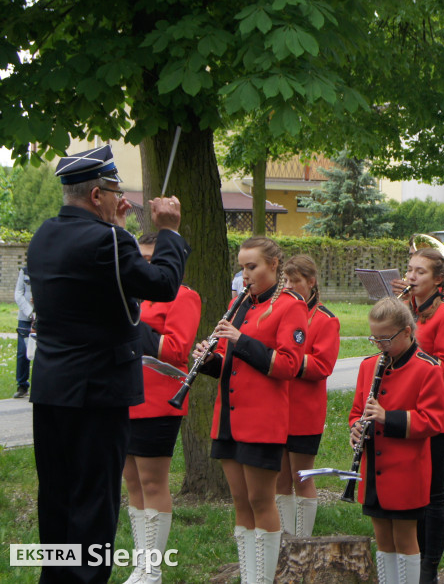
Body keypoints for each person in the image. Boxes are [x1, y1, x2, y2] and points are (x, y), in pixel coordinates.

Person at [28, 145, 189, 584]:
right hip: (98, 393)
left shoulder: (45, 235)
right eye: (116, 192)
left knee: (57, 498)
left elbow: (102, 295)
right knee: (95, 503)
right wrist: (169, 232)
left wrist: (117, 229)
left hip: (52, 389)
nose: (123, 201)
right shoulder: (109, 240)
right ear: (97, 195)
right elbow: (162, 284)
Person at [194, 236, 308, 584]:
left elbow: (289, 365)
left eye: (252, 267)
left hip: (262, 419)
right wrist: (207, 361)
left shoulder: (291, 306)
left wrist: (241, 341)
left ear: (274, 265)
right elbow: (232, 365)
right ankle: (249, 576)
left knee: (262, 501)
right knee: (240, 502)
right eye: (242, 267)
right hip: (228, 416)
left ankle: (263, 579)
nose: (245, 275)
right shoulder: (241, 304)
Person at [120, 232, 202, 584]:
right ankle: (141, 563)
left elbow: (175, 349)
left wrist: (133, 325)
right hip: (122, 396)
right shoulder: (130, 295)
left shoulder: (183, 296)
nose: (147, 264)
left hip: (157, 400)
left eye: (155, 257)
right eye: (142, 258)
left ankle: (152, 568)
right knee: (132, 482)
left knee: (153, 482)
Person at [350, 297, 444, 584]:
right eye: (374, 338)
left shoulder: (427, 368)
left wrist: (387, 417)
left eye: (385, 339)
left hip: (407, 470)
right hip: (373, 470)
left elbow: (432, 420)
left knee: (405, 539)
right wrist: (356, 427)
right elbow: (357, 410)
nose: (379, 345)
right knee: (383, 540)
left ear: (407, 331)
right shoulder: (369, 366)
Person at [403, 246, 444, 583]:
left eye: (420, 272)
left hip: (435, 416)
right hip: (403, 410)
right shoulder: (405, 308)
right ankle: (411, 555)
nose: (411, 276)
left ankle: (429, 566)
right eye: (410, 270)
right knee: (410, 490)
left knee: (434, 493)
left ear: (438, 280)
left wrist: (411, 358)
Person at [275, 255, 340, 537]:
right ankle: (286, 539)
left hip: (305, 411)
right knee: (279, 480)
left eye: (295, 281)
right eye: (285, 280)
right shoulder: (279, 311)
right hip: (278, 407)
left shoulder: (326, 319)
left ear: (311, 283)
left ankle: (303, 541)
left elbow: (322, 366)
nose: (288, 286)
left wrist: (288, 360)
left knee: (302, 478)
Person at [13, 265, 33, 398]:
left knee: (38, 353)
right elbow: (18, 294)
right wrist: (30, 312)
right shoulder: (25, 271)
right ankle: (22, 385)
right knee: (22, 352)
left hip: (43, 316)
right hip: (25, 317)